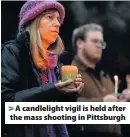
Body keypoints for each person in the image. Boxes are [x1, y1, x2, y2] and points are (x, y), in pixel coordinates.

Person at [1, 1, 84, 137]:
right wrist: (53, 89)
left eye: (58, 19)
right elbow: (6, 102)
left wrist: (70, 92)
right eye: (49, 17)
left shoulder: (56, 63)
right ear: (33, 21)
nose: (57, 23)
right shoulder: (12, 52)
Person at [68, 23, 130, 137]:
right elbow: (64, 109)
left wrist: (124, 100)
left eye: (101, 43)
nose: (99, 46)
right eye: (95, 41)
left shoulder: (105, 78)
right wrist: (102, 102)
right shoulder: (69, 72)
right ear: (80, 43)